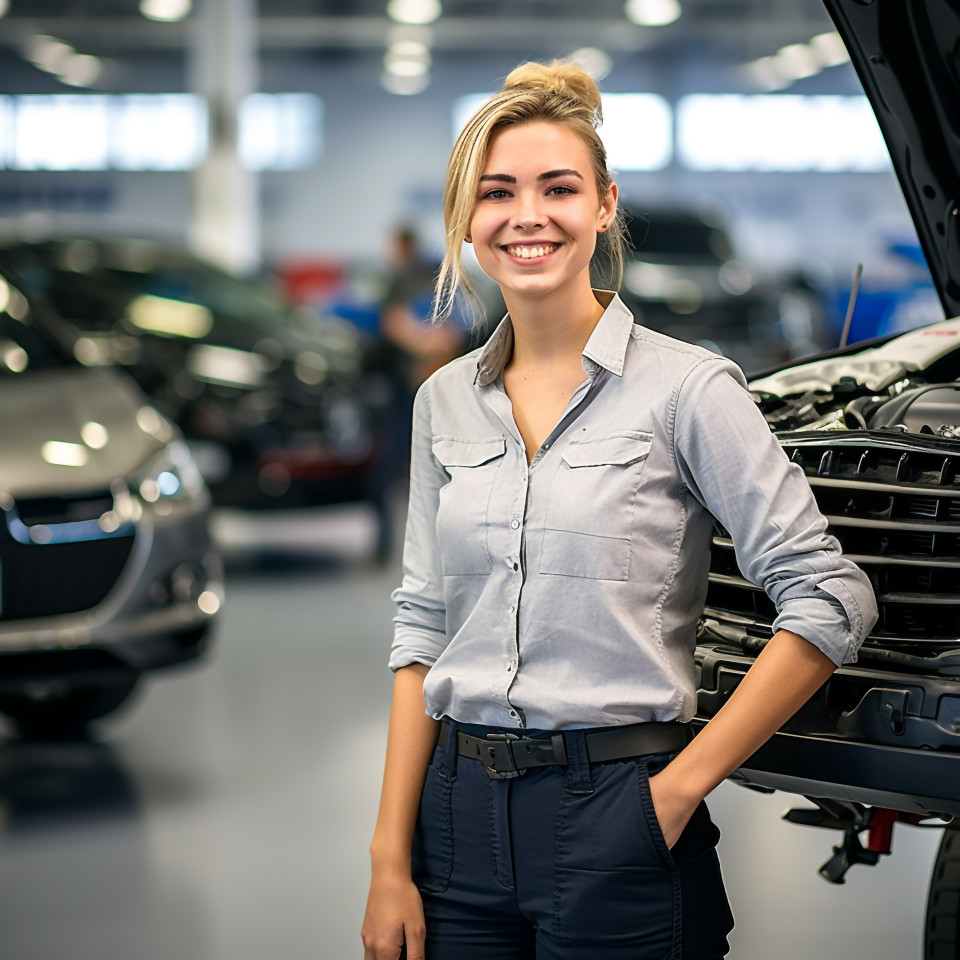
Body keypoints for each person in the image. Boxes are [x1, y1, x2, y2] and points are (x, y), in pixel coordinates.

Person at [361, 60, 877, 960]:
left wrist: (676, 792)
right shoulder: (442, 399)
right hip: (453, 822)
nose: (527, 215)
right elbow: (422, 626)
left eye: (558, 188)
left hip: (618, 814)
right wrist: (387, 857)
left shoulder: (689, 390)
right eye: (497, 193)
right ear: (466, 220)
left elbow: (829, 595)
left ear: (603, 205)